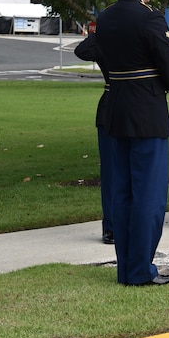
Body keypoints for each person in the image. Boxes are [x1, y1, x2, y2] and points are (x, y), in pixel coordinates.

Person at [95, 0, 169, 286]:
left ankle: (126, 268)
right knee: (149, 197)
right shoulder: (150, 19)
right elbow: (166, 61)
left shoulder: (105, 19)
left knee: (122, 194)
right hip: (147, 114)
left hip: (117, 112)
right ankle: (140, 270)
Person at [74, 32, 114, 244]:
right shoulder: (107, 37)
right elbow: (82, 50)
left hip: (135, 105)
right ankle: (111, 225)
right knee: (110, 172)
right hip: (112, 104)